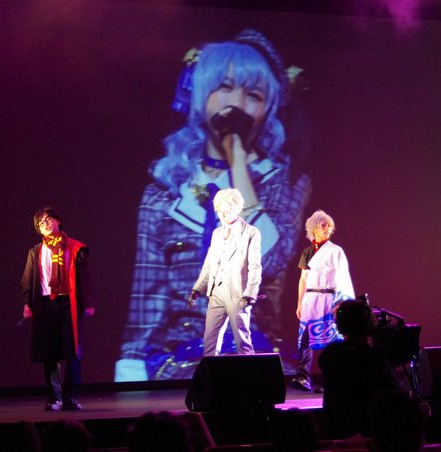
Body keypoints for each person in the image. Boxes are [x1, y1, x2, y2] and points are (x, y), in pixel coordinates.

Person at [115, 29, 311, 381]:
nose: (236, 103)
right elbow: (146, 309)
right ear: (201, 94)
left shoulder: (284, 183)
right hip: (181, 372)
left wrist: (236, 154)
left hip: (255, 367)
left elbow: (268, 261)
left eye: (253, 95)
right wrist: (130, 383)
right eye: (224, 87)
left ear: (267, 110)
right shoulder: (163, 195)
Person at [21, 207, 96, 411]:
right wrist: (27, 303)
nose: (45, 224)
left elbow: (85, 278)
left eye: (48, 219)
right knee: (50, 353)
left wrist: (88, 303)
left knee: (72, 352)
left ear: (58, 221)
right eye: (40, 223)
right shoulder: (35, 252)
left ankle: (70, 397)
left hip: (69, 303)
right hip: (46, 304)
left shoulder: (74, 247)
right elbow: (27, 280)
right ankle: (54, 397)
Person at [188, 188, 261, 356]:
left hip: (237, 293)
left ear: (236, 209)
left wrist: (250, 294)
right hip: (216, 293)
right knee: (209, 341)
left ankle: (250, 373)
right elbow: (209, 264)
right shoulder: (217, 233)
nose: (222, 215)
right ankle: (210, 371)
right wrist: (197, 289)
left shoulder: (250, 233)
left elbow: (255, 266)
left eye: (226, 211)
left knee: (242, 341)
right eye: (219, 211)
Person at [318, 299, 403, 439]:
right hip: (365, 432)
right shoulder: (374, 359)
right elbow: (393, 396)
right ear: (368, 323)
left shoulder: (329, 354)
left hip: (334, 430)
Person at [290, 210, 354, 392]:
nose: (327, 228)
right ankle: (303, 377)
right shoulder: (307, 252)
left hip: (328, 299)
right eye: (323, 225)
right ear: (314, 228)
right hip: (310, 299)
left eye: (329, 225)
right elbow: (303, 279)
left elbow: (343, 276)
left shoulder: (335, 251)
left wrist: (340, 303)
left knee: (332, 341)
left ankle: (333, 381)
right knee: (305, 339)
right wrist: (299, 303)